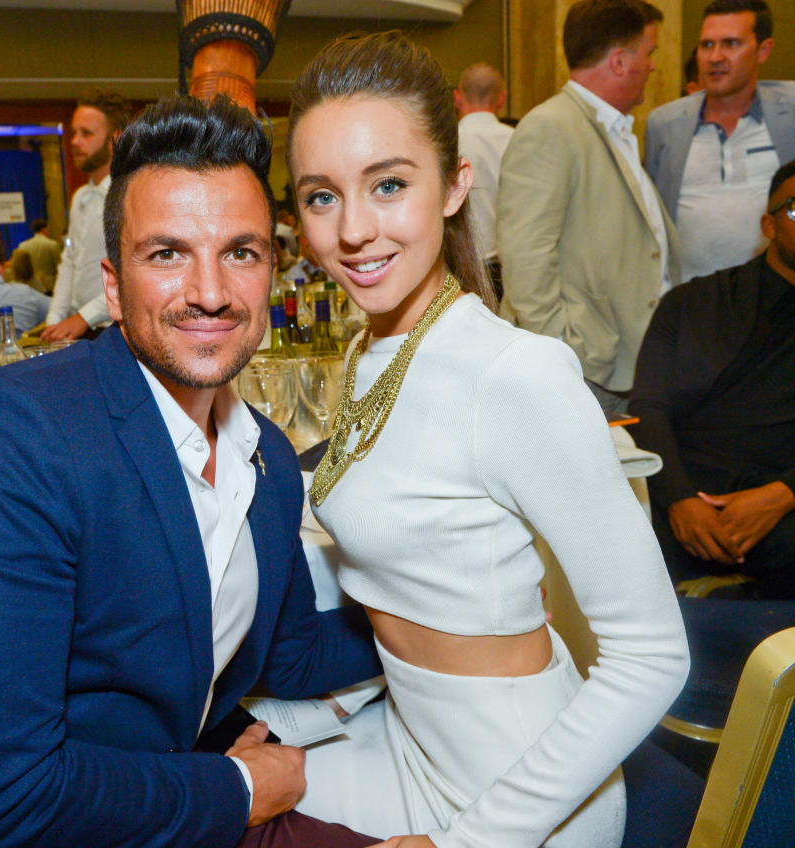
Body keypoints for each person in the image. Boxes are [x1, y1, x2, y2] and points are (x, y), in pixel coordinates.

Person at [0, 94, 382, 848]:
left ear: (271, 271)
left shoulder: (267, 460)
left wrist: (448, 607)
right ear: (112, 285)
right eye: (167, 254)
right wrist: (237, 789)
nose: (209, 291)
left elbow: (292, 650)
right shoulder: (14, 440)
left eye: (239, 251)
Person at [286, 30, 689, 848]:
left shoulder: (516, 374)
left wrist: (466, 844)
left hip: (519, 792)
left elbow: (653, 657)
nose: (353, 231)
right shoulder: (371, 350)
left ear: (453, 186)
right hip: (404, 734)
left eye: (389, 184)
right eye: (321, 196)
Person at [497, 0, 679, 414]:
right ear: (619, 61)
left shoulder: (611, 128)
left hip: (625, 366)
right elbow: (526, 262)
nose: (652, 66)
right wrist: (565, 357)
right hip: (585, 373)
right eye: (648, 53)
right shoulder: (551, 126)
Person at [629, 160, 795, 599]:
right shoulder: (694, 302)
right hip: (685, 494)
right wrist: (680, 499)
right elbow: (649, 406)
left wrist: (783, 494)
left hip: (784, 501)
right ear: (769, 225)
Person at [645, 0, 795, 283]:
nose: (715, 57)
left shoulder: (790, 113)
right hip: (689, 301)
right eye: (707, 45)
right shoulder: (664, 125)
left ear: (763, 50)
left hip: (776, 303)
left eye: (731, 44)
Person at [41, 88, 132, 342]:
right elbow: (70, 261)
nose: (74, 141)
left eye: (86, 133)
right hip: (81, 330)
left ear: (115, 139)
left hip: (117, 329)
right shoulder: (81, 196)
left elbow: (134, 273)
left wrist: (83, 317)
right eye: (74, 133)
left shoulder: (131, 195)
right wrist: (55, 322)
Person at [454, 62, 513, 298]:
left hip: (462, 264)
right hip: (509, 268)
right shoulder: (518, 139)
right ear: (502, 99)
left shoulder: (448, 141)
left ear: (457, 98)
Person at [13, 217, 61, 293]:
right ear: (44, 229)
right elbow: (59, 267)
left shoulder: (22, 246)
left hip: (30, 286)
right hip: (49, 286)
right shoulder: (52, 244)